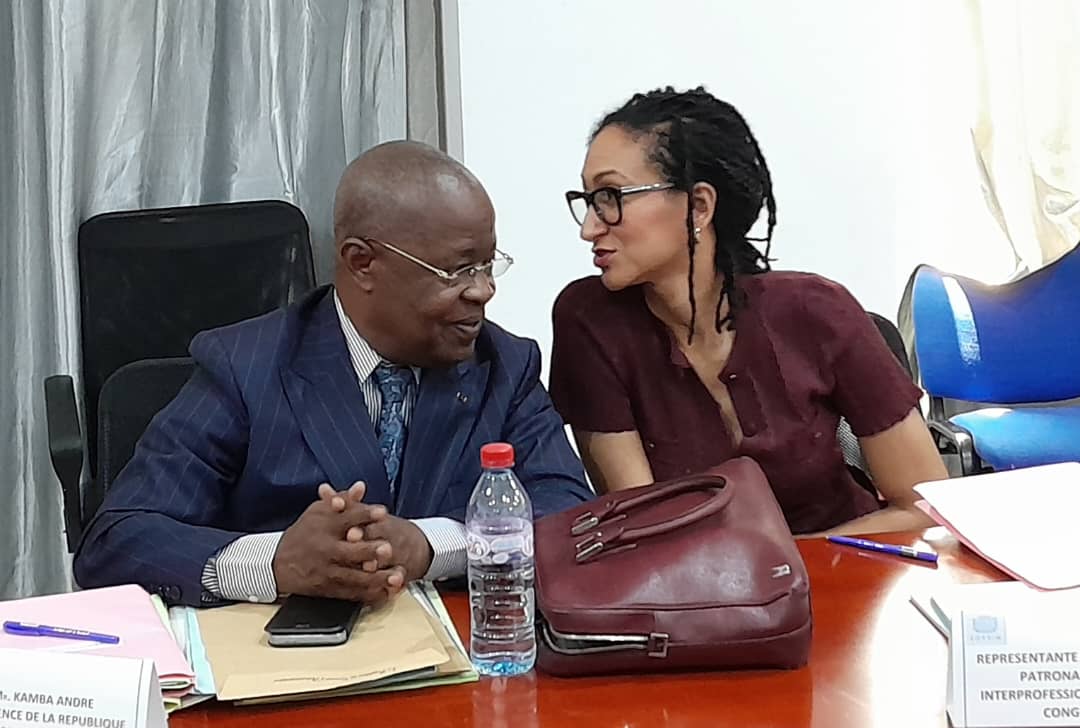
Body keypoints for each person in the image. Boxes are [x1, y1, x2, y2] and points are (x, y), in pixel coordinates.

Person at [74, 140, 592, 606]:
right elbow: (118, 540)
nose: (483, 290)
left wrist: (431, 545)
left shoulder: (504, 366)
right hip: (286, 665)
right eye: (457, 270)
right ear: (362, 263)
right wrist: (276, 563)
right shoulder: (246, 367)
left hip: (463, 659)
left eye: (487, 265)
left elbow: (570, 520)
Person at [549, 86, 947, 536]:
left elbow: (925, 507)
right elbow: (647, 531)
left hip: (850, 564)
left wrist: (789, 563)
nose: (589, 228)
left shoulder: (817, 311)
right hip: (693, 578)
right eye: (588, 201)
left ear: (698, 206)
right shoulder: (589, 322)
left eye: (611, 197)